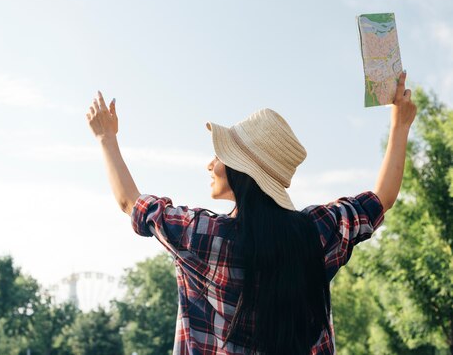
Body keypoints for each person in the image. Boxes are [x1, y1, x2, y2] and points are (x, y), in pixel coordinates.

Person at [85, 71, 417, 355]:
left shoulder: (202, 237)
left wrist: (105, 138)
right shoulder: (317, 233)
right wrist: (400, 124)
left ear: (242, 171)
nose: (210, 164)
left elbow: (132, 203)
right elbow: (381, 199)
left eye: (219, 155)